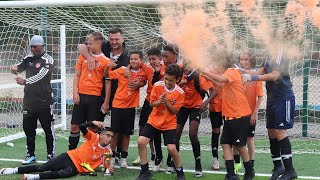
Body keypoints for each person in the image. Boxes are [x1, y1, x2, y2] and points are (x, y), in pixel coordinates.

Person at [78, 27, 132, 163]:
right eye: (111, 39)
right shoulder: (104, 47)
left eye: (117, 39)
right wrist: (89, 57)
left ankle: (120, 155)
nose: (113, 42)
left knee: (121, 128)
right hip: (102, 94)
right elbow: (81, 46)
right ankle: (97, 153)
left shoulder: (129, 54)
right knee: (96, 126)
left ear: (123, 39)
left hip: (122, 96)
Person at [241, 49, 297, 180]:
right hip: (272, 99)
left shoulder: (280, 53)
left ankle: (290, 170)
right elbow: (260, 71)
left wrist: (253, 78)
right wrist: (241, 72)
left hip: (283, 97)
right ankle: (278, 166)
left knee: (280, 132)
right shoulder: (269, 54)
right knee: (271, 131)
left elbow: (275, 75)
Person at [200, 53, 254, 180]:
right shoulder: (228, 74)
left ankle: (249, 172)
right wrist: (207, 75)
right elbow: (220, 85)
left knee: (240, 145)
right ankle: (231, 174)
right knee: (225, 143)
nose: (215, 65)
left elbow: (221, 80)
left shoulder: (231, 71)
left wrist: (204, 71)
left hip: (239, 115)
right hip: (230, 116)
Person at [0, 121, 114, 180]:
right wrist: (93, 122)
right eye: (108, 135)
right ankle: (14, 170)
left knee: (61, 174)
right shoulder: (93, 137)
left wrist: (109, 169)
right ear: (101, 135)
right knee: (43, 167)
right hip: (70, 156)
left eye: (111, 137)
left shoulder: (108, 152)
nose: (110, 139)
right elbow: (81, 127)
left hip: (78, 168)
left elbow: (108, 171)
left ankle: (33, 177)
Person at [10, 35, 55, 164]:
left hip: (44, 100)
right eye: (31, 47)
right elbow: (19, 66)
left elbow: (41, 76)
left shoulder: (48, 59)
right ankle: (30, 154)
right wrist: (14, 69)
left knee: (48, 129)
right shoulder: (28, 58)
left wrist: (25, 81)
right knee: (28, 128)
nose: (33, 49)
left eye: (35, 47)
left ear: (42, 46)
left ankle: (51, 155)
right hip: (29, 101)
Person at [136, 64, 186, 180]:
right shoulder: (157, 86)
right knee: (141, 142)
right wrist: (160, 101)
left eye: (171, 80)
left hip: (169, 123)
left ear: (178, 80)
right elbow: (152, 103)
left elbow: (175, 111)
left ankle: (180, 173)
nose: (167, 82)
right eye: (166, 79)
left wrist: (166, 102)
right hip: (154, 120)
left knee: (172, 149)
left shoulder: (180, 93)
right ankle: (144, 171)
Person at [104, 50, 147, 168]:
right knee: (115, 133)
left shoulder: (143, 72)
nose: (133, 61)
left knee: (126, 134)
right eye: (131, 59)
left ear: (141, 61)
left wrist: (140, 83)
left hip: (130, 107)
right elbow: (107, 76)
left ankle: (123, 158)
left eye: (136, 59)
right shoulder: (123, 70)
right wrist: (107, 67)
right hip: (117, 106)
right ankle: (112, 157)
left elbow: (145, 79)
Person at [69, 32, 111, 150]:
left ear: (99, 43)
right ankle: (72, 153)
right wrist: (75, 92)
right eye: (87, 44)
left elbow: (108, 82)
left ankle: (91, 153)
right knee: (74, 126)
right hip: (81, 96)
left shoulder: (106, 61)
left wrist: (106, 101)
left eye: (90, 44)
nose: (88, 46)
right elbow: (77, 76)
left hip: (95, 98)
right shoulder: (83, 56)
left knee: (92, 128)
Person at [175, 61, 216, 177]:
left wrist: (206, 103)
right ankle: (174, 163)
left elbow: (214, 92)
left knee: (192, 133)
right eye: (185, 66)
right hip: (182, 106)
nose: (186, 69)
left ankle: (198, 165)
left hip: (195, 107)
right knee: (176, 134)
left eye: (190, 67)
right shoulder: (179, 73)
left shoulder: (199, 78)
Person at [132, 48, 165, 170]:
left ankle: (157, 157)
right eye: (150, 59)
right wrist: (127, 69)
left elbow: (158, 83)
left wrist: (157, 72)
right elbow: (134, 63)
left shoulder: (165, 69)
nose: (152, 61)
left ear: (160, 59)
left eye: (154, 58)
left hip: (158, 104)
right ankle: (144, 155)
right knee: (142, 128)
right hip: (147, 101)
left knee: (155, 131)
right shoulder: (147, 67)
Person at [233, 52, 263, 174]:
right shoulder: (236, 74)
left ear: (251, 61)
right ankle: (236, 163)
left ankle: (251, 166)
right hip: (236, 113)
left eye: (246, 59)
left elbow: (260, 97)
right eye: (241, 59)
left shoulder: (256, 76)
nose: (243, 61)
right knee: (235, 140)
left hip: (249, 114)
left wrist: (254, 113)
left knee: (249, 139)